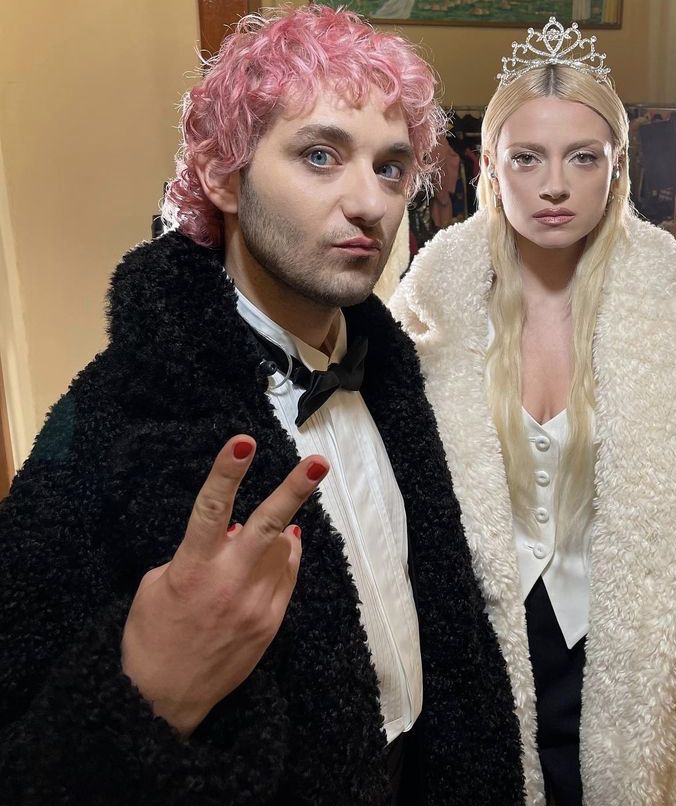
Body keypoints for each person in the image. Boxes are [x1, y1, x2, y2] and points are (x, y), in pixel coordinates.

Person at [0, 8, 528, 804]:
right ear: (223, 177)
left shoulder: (395, 379)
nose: (370, 203)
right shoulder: (110, 421)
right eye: (320, 155)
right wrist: (150, 692)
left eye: (391, 168)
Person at [391, 16, 676, 806]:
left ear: (618, 167)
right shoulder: (424, 316)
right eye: (527, 157)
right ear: (490, 167)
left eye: (583, 157)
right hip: (475, 670)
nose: (554, 185)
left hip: (644, 675)